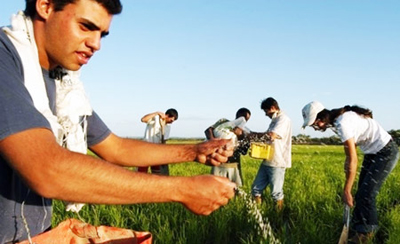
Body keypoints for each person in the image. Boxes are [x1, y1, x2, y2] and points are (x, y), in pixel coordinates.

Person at [0, 0, 236, 242]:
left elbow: (115, 148)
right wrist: (183, 190)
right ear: (46, 6)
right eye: (85, 26)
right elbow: (46, 169)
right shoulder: (5, 60)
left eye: (102, 34)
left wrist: (194, 151)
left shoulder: (66, 88)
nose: (96, 44)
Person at [302, 101, 399, 243]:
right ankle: (357, 226)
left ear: (320, 118)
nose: (315, 128)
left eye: (314, 124)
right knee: (362, 192)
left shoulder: (343, 123)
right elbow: (348, 158)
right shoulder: (339, 120)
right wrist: (347, 171)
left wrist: (346, 190)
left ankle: (366, 234)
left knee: (367, 194)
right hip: (372, 153)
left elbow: (353, 159)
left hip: (385, 152)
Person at [250, 97, 292, 211]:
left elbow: (272, 135)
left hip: (277, 162)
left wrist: (252, 135)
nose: (266, 114)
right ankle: (257, 212)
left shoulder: (283, 119)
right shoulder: (275, 120)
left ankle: (277, 217)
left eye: (266, 111)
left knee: (276, 193)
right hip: (268, 160)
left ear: (272, 108)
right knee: (256, 189)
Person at [205, 108, 251, 187]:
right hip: (218, 163)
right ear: (237, 116)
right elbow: (208, 130)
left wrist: (240, 136)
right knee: (216, 187)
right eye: (243, 118)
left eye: (246, 120)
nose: (244, 121)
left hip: (234, 165)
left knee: (235, 189)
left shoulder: (244, 131)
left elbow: (244, 151)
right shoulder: (224, 122)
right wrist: (213, 140)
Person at [137, 109, 178, 175]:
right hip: (146, 149)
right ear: (167, 115)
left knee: (157, 174)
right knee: (141, 173)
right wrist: (157, 113)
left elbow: (163, 142)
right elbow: (143, 119)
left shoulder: (168, 127)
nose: (172, 121)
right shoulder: (156, 119)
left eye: (174, 120)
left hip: (157, 152)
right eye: (171, 119)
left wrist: (163, 128)